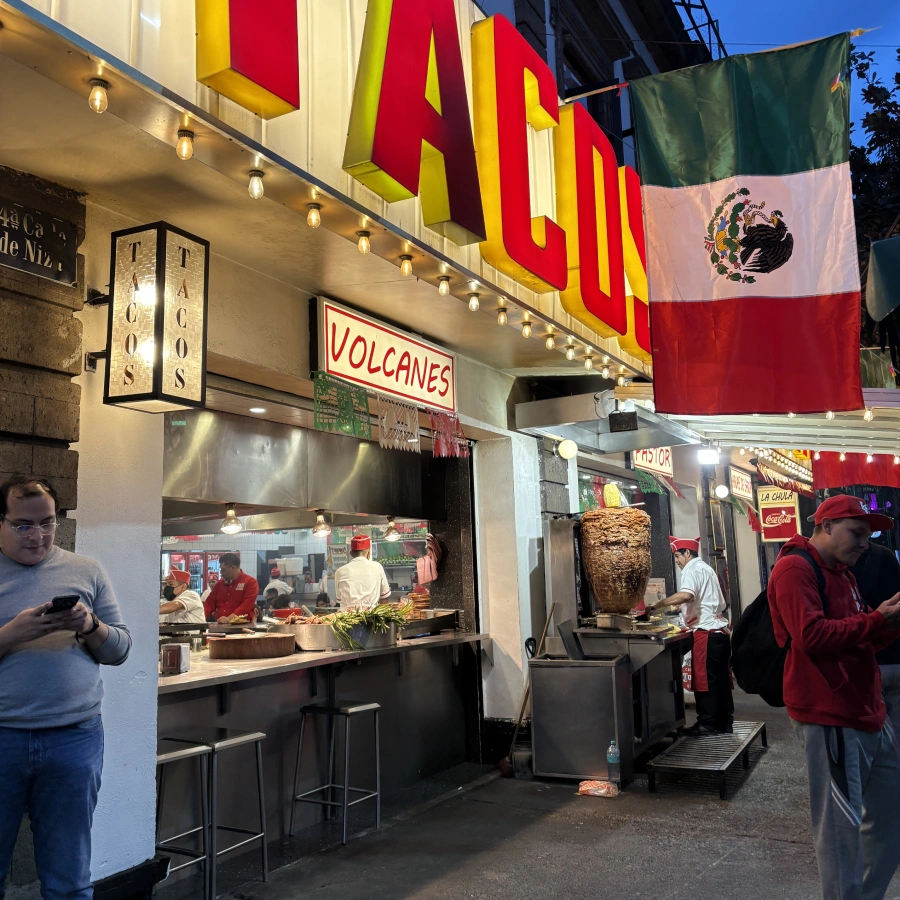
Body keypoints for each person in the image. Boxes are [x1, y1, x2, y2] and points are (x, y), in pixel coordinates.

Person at [0, 475, 131, 900]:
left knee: (69, 877)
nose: (37, 536)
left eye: (48, 523)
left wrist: (90, 626)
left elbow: (120, 650)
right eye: (23, 525)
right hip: (3, 738)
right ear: (0, 521)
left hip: (74, 739)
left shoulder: (85, 571)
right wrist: (12, 634)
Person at [769, 493, 900, 900]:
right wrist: (878, 618)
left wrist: (888, 624)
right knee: (840, 833)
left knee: (890, 815)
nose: (865, 543)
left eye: (868, 535)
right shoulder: (794, 567)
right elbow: (811, 636)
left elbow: (856, 640)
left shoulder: (843, 573)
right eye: (857, 533)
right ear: (826, 526)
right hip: (828, 712)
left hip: (865, 710)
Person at [650, 536, 733, 734]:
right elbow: (702, 599)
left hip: (706, 633)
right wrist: (683, 607)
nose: (677, 561)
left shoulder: (691, 569)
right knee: (720, 680)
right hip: (719, 633)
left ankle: (707, 724)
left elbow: (688, 594)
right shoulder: (705, 568)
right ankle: (724, 722)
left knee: (705, 681)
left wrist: (658, 604)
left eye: (678, 556)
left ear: (688, 553)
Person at [334, 535, 391, 610]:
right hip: (371, 617)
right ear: (368, 553)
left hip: (347, 618)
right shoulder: (377, 567)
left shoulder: (340, 571)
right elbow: (384, 598)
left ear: (351, 554)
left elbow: (339, 599)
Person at [203, 552, 259, 623]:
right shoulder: (220, 584)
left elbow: (245, 606)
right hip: (221, 625)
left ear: (232, 567)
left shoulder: (250, 583)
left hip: (243, 626)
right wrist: (202, 618)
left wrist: (229, 619)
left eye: (223, 570)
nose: (221, 573)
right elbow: (210, 602)